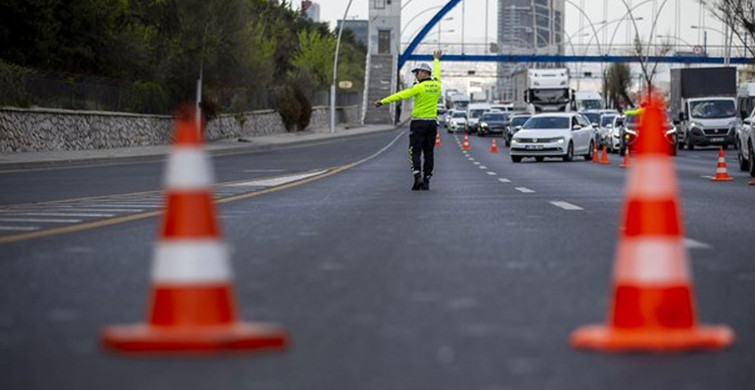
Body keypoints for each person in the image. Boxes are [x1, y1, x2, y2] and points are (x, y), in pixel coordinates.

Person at [374, 50, 443, 191]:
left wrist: (383, 101)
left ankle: (417, 175)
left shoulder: (418, 87)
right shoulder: (437, 85)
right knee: (429, 152)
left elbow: (400, 95)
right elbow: (437, 72)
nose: (416, 75)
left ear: (423, 73)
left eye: (417, 72)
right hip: (432, 124)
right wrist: (436, 59)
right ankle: (427, 179)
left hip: (418, 123)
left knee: (414, 151)